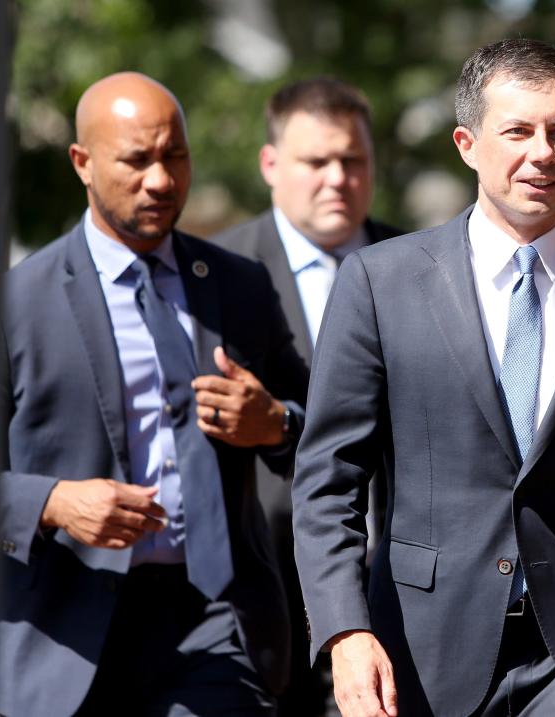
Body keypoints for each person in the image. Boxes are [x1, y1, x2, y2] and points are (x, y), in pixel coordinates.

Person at [291, 39, 555, 717]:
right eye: (517, 130)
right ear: (466, 143)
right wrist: (344, 629)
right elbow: (329, 476)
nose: (542, 152)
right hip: (421, 657)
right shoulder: (380, 282)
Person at [0, 72, 308, 717]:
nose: (162, 181)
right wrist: (52, 502)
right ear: (83, 164)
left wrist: (276, 423)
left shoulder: (239, 285)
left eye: (175, 155)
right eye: (137, 161)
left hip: (218, 626)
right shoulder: (9, 307)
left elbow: (326, 435)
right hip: (66, 638)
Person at [211, 76, 400, 716]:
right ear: (270, 165)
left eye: (353, 160)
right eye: (316, 162)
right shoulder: (219, 274)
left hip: (401, 591)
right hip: (266, 603)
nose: (337, 178)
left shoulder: (420, 267)